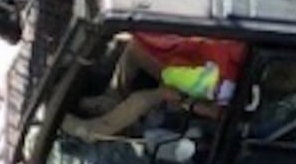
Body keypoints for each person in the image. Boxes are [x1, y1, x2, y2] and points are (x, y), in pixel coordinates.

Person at [63, 33, 247, 141]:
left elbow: (220, 113)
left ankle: (95, 131)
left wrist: (186, 102)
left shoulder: (250, 90)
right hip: (190, 74)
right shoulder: (239, 48)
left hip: (196, 96)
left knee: (144, 98)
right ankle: (113, 96)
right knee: (135, 48)